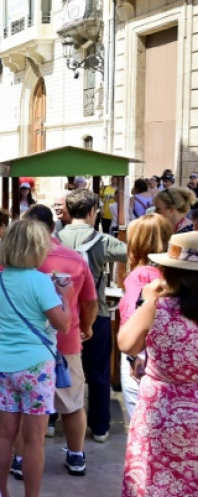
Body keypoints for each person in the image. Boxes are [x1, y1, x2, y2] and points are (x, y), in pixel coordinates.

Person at [0, 219, 72, 497]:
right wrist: (66, 298)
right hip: (35, 365)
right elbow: (62, 325)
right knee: (34, 439)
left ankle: (0, 492)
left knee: (4, 434)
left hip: (2, 363)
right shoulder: (39, 281)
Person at [19, 205, 98, 476]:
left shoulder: (14, 259)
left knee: (27, 405)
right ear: (53, 228)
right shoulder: (75, 259)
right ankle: (76, 455)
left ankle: (21, 458)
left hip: (25, 343)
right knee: (72, 403)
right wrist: (86, 327)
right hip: (66, 340)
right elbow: (90, 301)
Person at [118, 232, 198, 497]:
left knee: (153, 479)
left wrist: (148, 299)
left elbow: (127, 344)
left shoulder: (158, 306)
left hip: (160, 409)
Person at [57, 188, 128, 443]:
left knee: (57, 369)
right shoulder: (103, 241)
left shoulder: (55, 239)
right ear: (91, 211)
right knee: (98, 372)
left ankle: (52, 421)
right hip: (95, 313)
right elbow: (130, 251)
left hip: (60, 315)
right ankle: (99, 426)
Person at [117, 214, 172, 418]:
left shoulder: (140, 276)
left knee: (141, 421)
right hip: (169, 356)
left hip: (143, 357)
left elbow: (131, 318)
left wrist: (133, 358)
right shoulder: (175, 273)